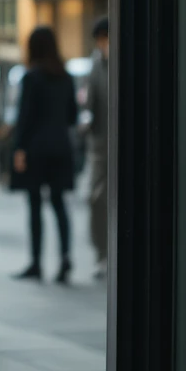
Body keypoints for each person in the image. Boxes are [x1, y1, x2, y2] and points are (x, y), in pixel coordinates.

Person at [11, 26, 78, 284]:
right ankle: (65, 258)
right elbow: (72, 115)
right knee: (60, 204)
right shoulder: (66, 77)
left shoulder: (32, 77)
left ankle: (37, 262)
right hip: (61, 148)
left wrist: (19, 149)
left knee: (35, 205)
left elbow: (25, 117)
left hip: (37, 149)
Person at [88, 17, 110, 279]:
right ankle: (101, 254)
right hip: (100, 146)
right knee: (95, 199)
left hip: (122, 146)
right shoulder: (95, 64)